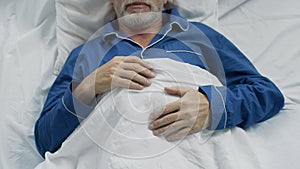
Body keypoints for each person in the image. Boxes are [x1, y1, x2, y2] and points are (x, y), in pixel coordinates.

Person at [34, 0, 284, 158]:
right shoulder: (86, 53)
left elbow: (266, 93)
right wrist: (88, 87)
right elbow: (46, 140)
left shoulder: (200, 36)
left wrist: (211, 106)